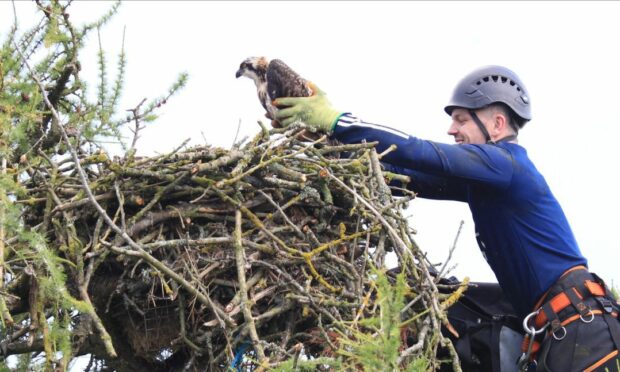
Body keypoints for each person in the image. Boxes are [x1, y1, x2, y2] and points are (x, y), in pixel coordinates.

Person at [272, 65, 620, 371]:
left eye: (462, 119)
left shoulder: (507, 165)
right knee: (431, 300)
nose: (452, 130)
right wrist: (327, 147)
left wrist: (337, 119)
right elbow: (401, 174)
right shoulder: (484, 183)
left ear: (497, 125)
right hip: (553, 332)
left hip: (584, 331)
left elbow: (423, 152)